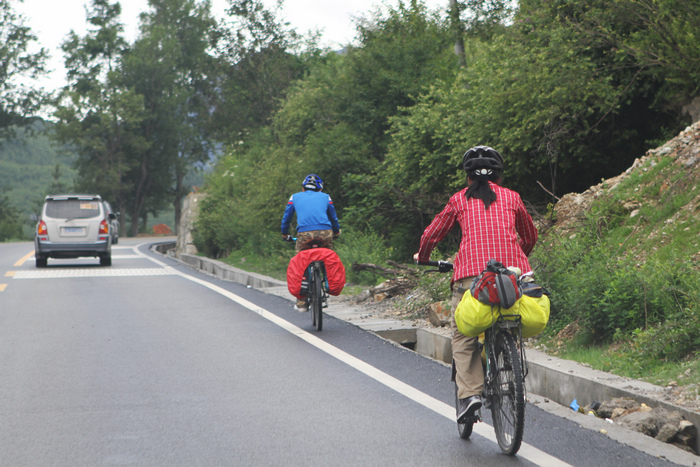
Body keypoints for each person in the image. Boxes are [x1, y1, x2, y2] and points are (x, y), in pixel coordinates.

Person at [413, 146, 538, 423]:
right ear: (499, 176)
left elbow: (432, 233)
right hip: (511, 275)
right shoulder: (513, 197)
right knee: (510, 319)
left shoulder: (459, 200)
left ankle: (470, 395)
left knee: (463, 334)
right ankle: (510, 371)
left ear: (468, 177)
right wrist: (518, 257)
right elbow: (530, 235)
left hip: (472, 278)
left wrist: (423, 257)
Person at [281, 174, 341, 311]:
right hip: (325, 233)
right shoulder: (326, 197)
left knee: (300, 261)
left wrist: (285, 234)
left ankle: (301, 302)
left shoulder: (294, 197)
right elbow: (333, 217)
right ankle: (328, 282)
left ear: (303, 188)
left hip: (304, 234)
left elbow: (286, 218)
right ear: (320, 189)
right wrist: (336, 232)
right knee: (328, 256)